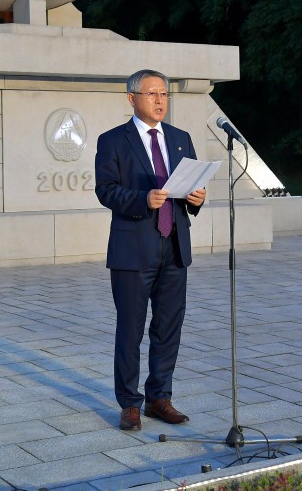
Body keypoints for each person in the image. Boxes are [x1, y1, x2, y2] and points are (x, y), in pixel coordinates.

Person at [94, 69, 207, 432]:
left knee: (168, 326)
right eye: (152, 94)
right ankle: (129, 403)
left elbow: (191, 185)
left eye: (164, 94)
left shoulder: (180, 138)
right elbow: (106, 190)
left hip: (174, 245)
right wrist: (142, 199)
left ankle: (160, 397)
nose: (160, 100)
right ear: (132, 98)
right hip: (133, 248)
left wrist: (197, 198)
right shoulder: (113, 141)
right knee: (131, 328)